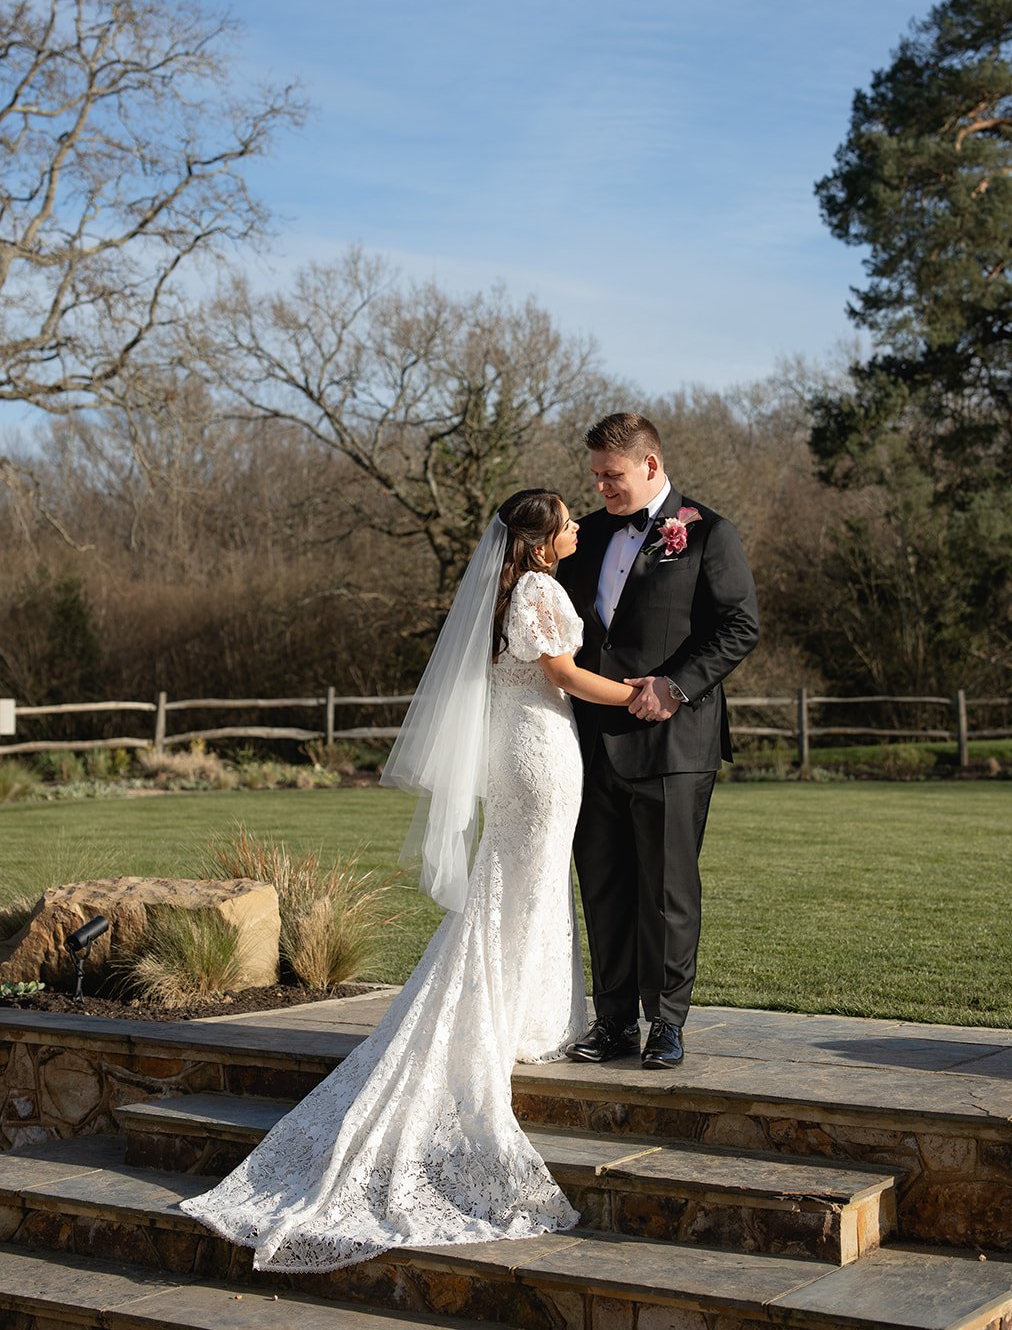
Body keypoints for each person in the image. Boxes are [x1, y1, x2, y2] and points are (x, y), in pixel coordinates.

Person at [179, 488, 637, 1274]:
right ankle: (508, 1019)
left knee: (521, 885)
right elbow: (559, 673)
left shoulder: (511, 588)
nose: (574, 529)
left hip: (527, 747)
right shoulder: (535, 589)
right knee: (518, 885)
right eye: (563, 522)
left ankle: (526, 1015)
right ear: (536, 541)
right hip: (537, 748)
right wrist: (638, 695)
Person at [558, 413, 759, 1070]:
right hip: (587, 742)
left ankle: (665, 1023)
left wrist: (674, 686)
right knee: (604, 886)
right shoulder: (582, 537)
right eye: (594, 476)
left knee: (667, 890)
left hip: (673, 744)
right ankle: (611, 1021)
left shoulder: (709, 533)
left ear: (649, 464)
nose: (600, 488)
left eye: (610, 476)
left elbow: (738, 627)